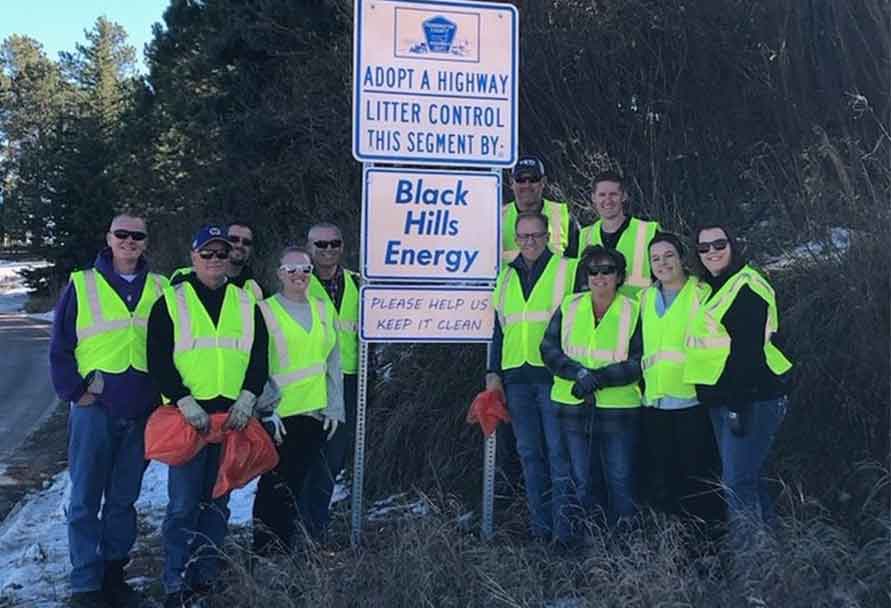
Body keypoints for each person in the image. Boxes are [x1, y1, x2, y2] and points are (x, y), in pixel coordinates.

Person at [146, 225, 268, 607]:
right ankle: (175, 580)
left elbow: (260, 358)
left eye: (222, 253)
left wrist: (248, 399)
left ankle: (207, 575)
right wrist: (183, 401)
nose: (216, 260)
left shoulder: (247, 303)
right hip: (189, 419)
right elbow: (158, 358)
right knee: (183, 504)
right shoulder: (172, 300)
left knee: (217, 502)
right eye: (207, 254)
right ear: (194, 257)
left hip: (231, 418)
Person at [50, 212, 168, 608]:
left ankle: (114, 576)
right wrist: (73, 390)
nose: (129, 241)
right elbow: (60, 344)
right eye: (122, 234)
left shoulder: (161, 286)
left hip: (141, 409)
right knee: (85, 497)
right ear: (109, 237)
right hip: (94, 408)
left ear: (146, 242)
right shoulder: (83, 284)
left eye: (137, 235)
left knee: (123, 499)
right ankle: (86, 584)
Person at [684, 224, 792, 544]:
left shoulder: (747, 286)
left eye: (719, 244)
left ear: (733, 245)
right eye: (704, 248)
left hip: (752, 398)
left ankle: (753, 569)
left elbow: (748, 354)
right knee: (749, 479)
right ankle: (773, 559)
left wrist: (736, 405)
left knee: (737, 483)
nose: (712, 252)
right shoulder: (714, 287)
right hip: (725, 399)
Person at [540, 245, 643, 536]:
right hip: (572, 409)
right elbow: (548, 349)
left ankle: (625, 545)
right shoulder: (569, 306)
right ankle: (592, 546)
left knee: (620, 479)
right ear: (586, 276)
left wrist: (597, 378)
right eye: (593, 271)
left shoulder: (634, 311)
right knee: (583, 480)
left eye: (607, 270)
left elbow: (640, 361)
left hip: (619, 412)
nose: (600, 277)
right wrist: (579, 373)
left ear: (619, 276)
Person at [488, 211, 576, 542]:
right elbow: (500, 328)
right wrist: (493, 372)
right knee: (528, 454)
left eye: (536, 235)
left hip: (554, 376)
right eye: (523, 237)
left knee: (559, 454)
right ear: (516, 238)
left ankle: (564, 533)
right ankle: (541, 532)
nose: (529, 242)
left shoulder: (566, 270)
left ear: (548, 235)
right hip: (516, 377)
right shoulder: (506, 277)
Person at [252, 246, 344, 554]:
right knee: (275, 485)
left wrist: (334, 406)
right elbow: (254, 364)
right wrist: (265, 409)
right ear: (279, 273)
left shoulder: (322, 308)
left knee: (304, 482)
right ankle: (266, 549)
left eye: (305, 269)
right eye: (291, 270)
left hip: (315, 412)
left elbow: (332, 360)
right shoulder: (264, 311)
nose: (299, 275)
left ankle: (294, 546)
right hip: (280, 415)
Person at [638, 232, 723, 525]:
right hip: (656, 405)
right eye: (655, 259)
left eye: (669, 256)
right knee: (666, 479)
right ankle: (677, 547)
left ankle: (707, 545)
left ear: (682, 257)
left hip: (692, 402)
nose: (662, 263)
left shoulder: (702, 293)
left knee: (698, 479)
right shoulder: (645, 298)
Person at [301, 222, 360, 540]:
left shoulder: (357, 282)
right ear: (309, 246)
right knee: (305, 455)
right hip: (307, 383)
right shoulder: (298, 281)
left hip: (348, 381)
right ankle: (295, 524)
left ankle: (316, 525)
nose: (328, 250)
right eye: (320, 244)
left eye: (334, 243)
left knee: (333, 456)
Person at [578, 171, 659, 295]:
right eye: (602, 195)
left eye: (613, 194)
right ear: (593, 197)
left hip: (639, 311)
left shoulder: (649, 232)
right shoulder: (584, 236)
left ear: (624, 196)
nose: (608, 200)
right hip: (599, 313)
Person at [501, 155, 579, 264]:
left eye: (533, 179)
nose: (527, 185)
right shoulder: (497, 218)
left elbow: (578, 264)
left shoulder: (563, 216)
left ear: (543, 182)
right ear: (511, 182)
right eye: (520, 179)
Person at [169, 221, 266, 300]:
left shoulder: (257, 290)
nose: (239, 245)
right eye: (233, 239)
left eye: (246, 242)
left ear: (251, 249)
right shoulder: (183, 278)